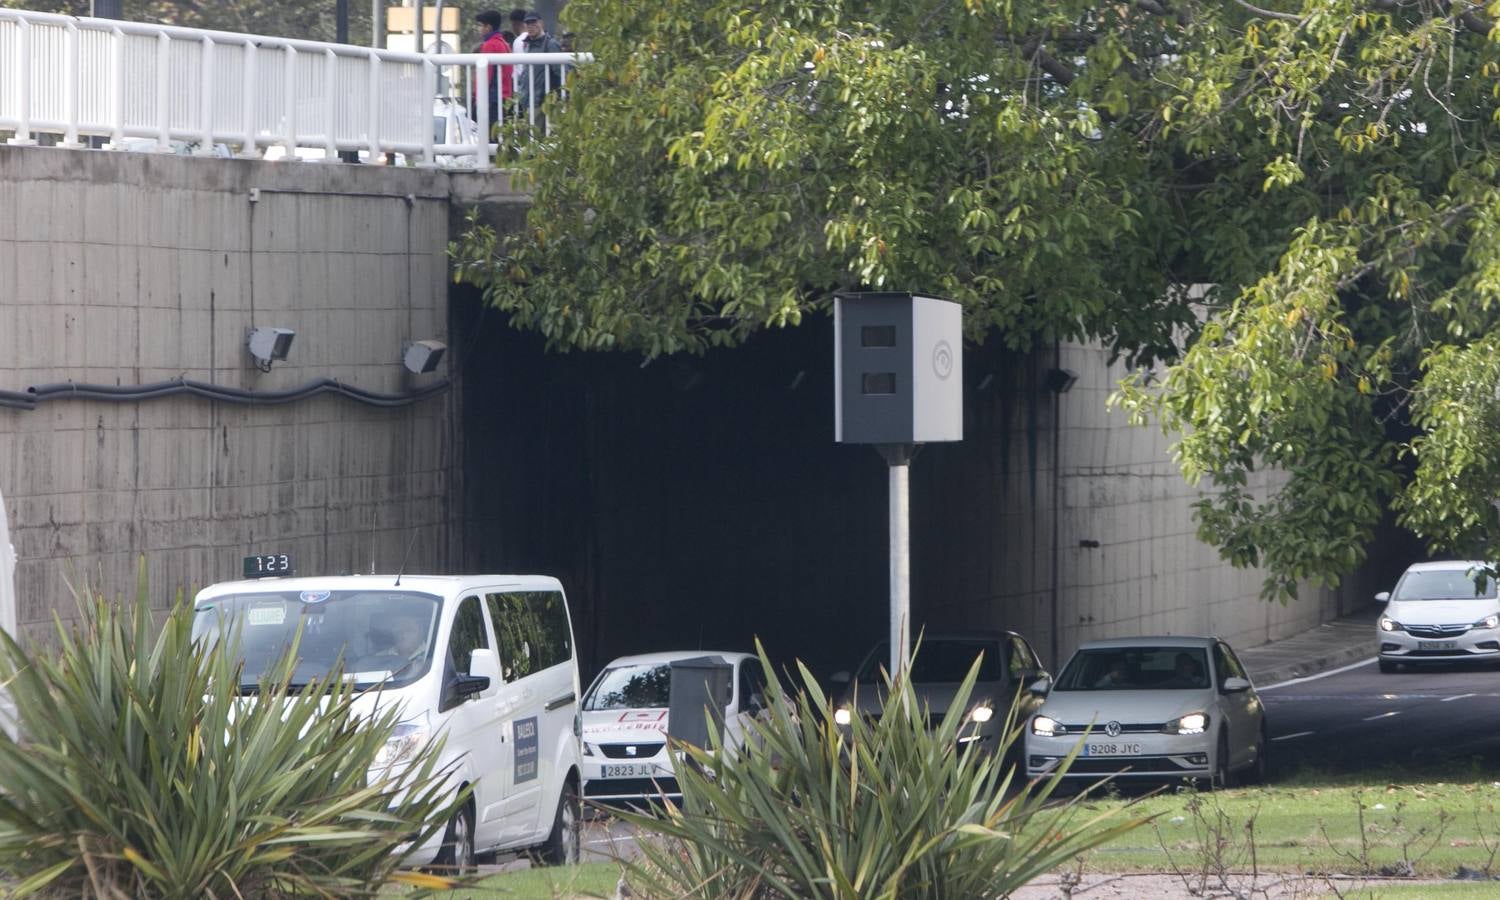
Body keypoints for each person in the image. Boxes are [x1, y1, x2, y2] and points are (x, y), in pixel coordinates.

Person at [518, 11, 565, 125]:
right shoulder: (527, 45)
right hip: (527, 102)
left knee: (538, 139)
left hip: (542, 102)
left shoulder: (551, 44)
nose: (530, 26)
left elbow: (561, 73)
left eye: (533, 22)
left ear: (541, 23)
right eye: (528, 23)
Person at [471, 10, 514, 125]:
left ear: (488, 27)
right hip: (504, 97)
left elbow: (486, 75)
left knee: (488, 137)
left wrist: (477, 97)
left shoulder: (490, 45)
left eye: (481, 26)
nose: (479, 29)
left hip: (492, 99)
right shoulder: (504, 44)